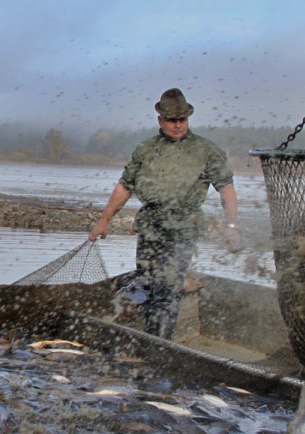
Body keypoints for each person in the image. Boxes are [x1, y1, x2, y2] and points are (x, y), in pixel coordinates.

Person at [89, 88, 239, 339]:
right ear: (160, 120)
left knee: (168, 287)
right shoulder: (146, 149)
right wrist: (104, 220)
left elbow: (226, 188)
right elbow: (125, 186)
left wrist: (232, 226)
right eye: (172, 120)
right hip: (150, 226)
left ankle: (159, 344)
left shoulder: (206, 150)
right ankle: (150, 333)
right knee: (148, 281)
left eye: (182, 120)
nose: (178, 125)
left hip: (184, 226)